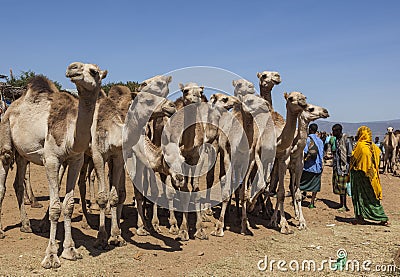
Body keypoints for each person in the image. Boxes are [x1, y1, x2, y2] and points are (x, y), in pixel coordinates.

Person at [350, 126, 389, 225]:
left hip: (360, 176)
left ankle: (361, 216)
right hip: (372, 176)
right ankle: (380, 216)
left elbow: (355, 160)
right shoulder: (374, 147)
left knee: (360, 197)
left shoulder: (360, 146)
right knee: (372, 196)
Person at [328, 124, 353, 212]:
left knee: (343, 187)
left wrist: (348, 167)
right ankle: (341, 203)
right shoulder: (337, 140)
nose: (333, 132)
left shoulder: (346, 140)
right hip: (337, 166)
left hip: (343, 167)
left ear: (339, 131)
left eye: (334, 131)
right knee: (339, 185)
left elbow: (349, 154)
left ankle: (344, 205)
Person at [300, 123, 324, 208]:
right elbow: (321, 154)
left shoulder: (307, 140)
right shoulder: (320, 141)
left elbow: (305, 152)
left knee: (301, 184)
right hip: (318, 166)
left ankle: (298, 200)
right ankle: (312, 203)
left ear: (309, 129)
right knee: (315, 187)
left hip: (308, 167)